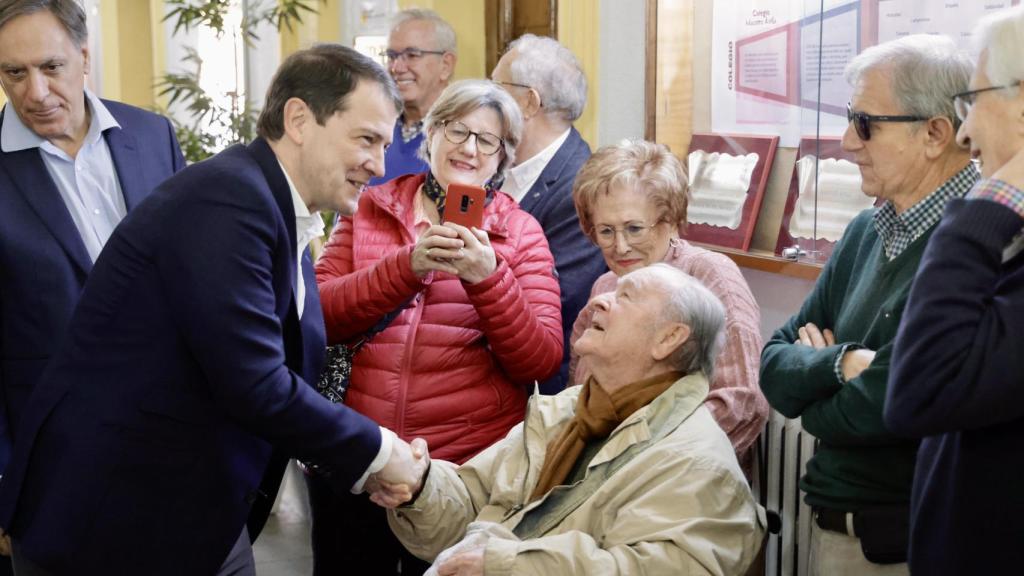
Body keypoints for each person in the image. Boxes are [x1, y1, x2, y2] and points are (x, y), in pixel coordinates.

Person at [0, 44, 427, 576]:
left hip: (189, 512)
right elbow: (254, 381)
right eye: (366, 139)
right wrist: (381, 453)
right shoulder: (230, 199)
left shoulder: (270, 205)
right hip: (111, 523)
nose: (379, 164)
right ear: (299, 119)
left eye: (385, 144)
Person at [313, 79, 562, 575]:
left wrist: (487, 280)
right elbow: (319, 316)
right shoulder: (371, 207)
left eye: (487, 140)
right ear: (430, 135)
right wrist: (405, 267)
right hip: (361, 457)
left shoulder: (520, 233)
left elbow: (540, 359)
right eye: (456, 130)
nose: (469, 148)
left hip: (460, 475)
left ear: (502, 158)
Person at [382, 264, 764, 576]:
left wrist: (506, 566)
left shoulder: (696, 462)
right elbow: (472, 503)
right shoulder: (565, 410)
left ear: (668, 340)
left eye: (625, 296)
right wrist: (420, 484)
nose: (599, 300)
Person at [759, 34, 977, 576]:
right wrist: (842, 364)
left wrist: (817, 391)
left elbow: (893, 402)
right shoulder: (864, 230)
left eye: (864, 123)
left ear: (934, 134)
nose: (846, 141)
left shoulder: (980, 241)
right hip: (834, 527)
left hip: (908, 545)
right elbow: (773, 364)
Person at [0, 0, 183, 483]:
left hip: (177, 437)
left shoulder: (153, 135)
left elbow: (191, 277)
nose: (35, 92)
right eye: (14, 73)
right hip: (53, 462)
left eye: (51, 67)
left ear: (85, 55)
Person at [884, 8, 1024, 574]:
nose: (965, 131)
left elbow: (918, 391)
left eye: (973, 101)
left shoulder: (992, 220)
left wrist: (990, 204)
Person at [568, 140, 767, 464]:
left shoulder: (709, 276)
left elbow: (741, 403)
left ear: (671, 219)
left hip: (677, 483)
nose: (620, 247)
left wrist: (643, 464)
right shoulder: (605, 287)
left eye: (634, 229)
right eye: (605, 231)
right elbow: (578, 394)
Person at [490, 34, 606, 392]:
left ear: (527, 102)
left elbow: (554, 306)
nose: (486, 103)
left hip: (537, 392)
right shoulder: (493, 164)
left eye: (496, 90)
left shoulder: (581, 187)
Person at [370, 8, 456, 185]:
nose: (396, 68)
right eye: (391, 56)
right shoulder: (375, 123)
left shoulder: (460, 134)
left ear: (446, 65)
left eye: (412, 55)